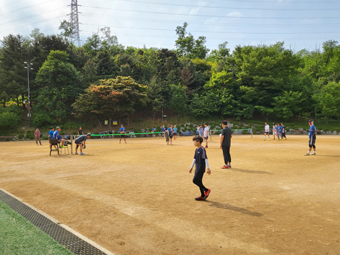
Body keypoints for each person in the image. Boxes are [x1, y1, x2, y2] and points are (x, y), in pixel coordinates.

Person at [189, 136, 211, 201]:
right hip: (197, 167)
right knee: (199, 181)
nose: (193, 143)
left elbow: (205, 159)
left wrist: (208, 168)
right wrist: (191, 167)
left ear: (198, 142)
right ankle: (202, 195)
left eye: (194, 141)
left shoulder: (202, 149)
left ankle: (207, 190)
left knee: (195, 180)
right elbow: (194, 159)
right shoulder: (196, 149)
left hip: (201, 168)